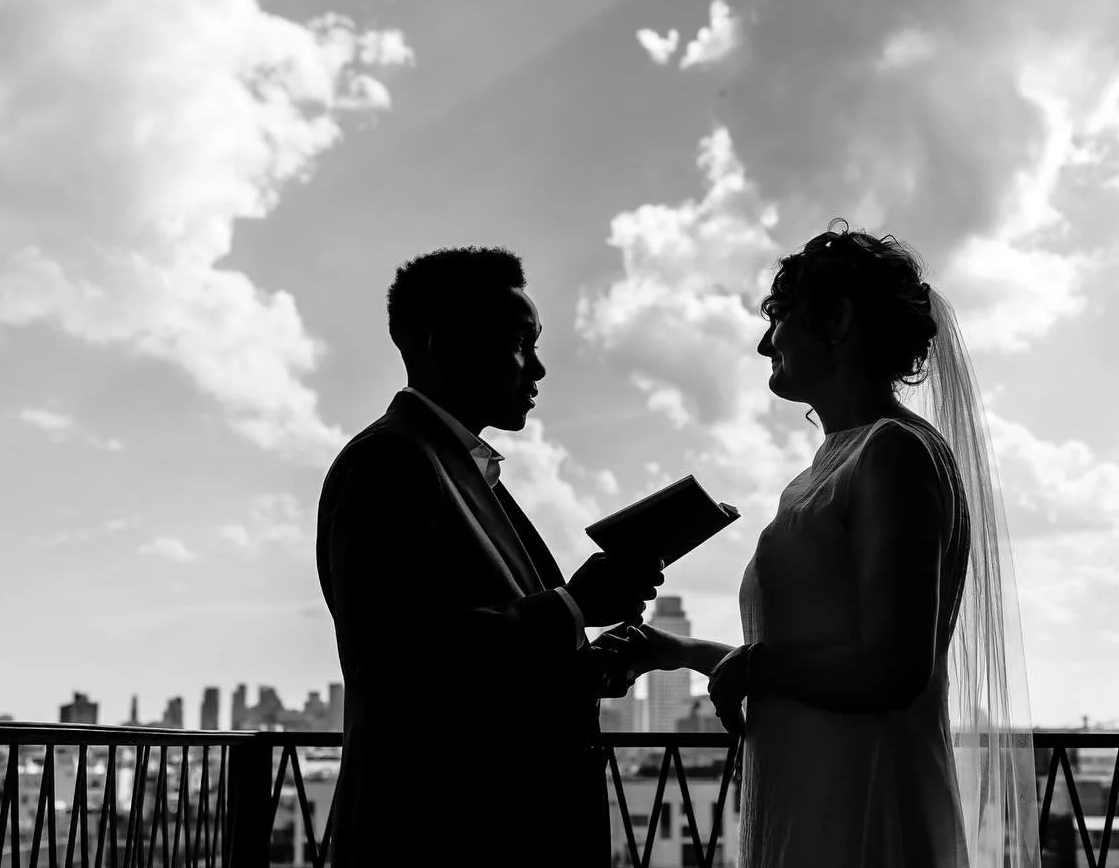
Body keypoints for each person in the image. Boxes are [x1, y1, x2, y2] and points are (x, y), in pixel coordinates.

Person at [600, 224, 1041, 867]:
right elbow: (817, 660)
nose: (762, 343)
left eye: (777, 318)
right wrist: (679, 651)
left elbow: (891, 669)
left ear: (835, 320)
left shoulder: (894, 453)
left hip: (856, 796)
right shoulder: (826, 470)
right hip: (808, 785)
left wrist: (753, 667)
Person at [316, 246, 663, 867]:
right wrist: (572, 607)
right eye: (521, 342)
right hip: (447, 835)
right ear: (441, 342)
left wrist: (586, 664)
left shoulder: (459, 471)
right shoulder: (389, 462)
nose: (540, 368)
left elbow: (474, 672)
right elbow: (397, 664)